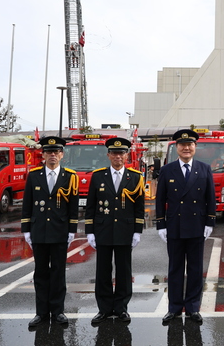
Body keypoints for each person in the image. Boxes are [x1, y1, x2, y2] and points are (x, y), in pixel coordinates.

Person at [156, 129, 216, 324]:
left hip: (197, 225)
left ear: (195, 147)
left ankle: (192, 307)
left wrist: (210, 221)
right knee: (175, 269)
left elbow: (210, 199)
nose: (186, 148)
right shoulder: (167, 170)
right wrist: (161, 224)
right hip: (174, 226)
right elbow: (160, 200)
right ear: (176, 148)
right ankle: (174, 308)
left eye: (190, 145)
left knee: (196, 268)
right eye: (182, 145)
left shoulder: (204, 168)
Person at [86, 137, 145, 324]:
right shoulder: (98, 176)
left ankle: (121, 308)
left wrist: (137, 231)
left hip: (125, 230)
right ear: (108, 155)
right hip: (103, 230)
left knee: (124, 271)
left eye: (121, 153)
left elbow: (139, 207)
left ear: (126, 155)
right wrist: (90, 231)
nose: (117, 156)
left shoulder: (135, 177)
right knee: (102, 271)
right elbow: (91, 206)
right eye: (114, 153)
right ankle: (104, 309)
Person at [21, 136, 79, 327]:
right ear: (43, 154)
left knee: (58, 273)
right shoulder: (34, 175)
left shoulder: (70, 176)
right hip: (39, 230)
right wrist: (26, 229)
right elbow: (27, 204)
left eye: (56, 152)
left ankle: (58, 311)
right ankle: (41, 312)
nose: (52, 155)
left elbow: (73, 207)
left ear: (62, 155)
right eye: (49, 152)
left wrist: (71, 230)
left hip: (60, 231)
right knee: (40, 273)